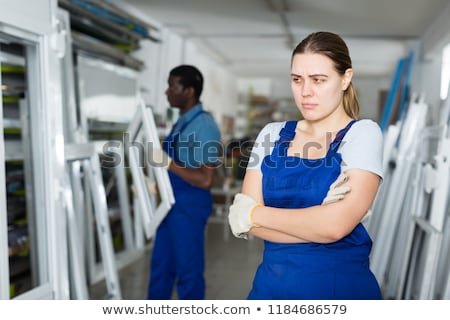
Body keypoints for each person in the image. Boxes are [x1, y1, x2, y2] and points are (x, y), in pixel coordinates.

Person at [228, 31, 384, 299]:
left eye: (318, 80)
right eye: (297, 79)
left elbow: (334, 227)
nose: (305, 92)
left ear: (345, 78)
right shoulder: (271, 134)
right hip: (270, 290)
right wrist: (318, 220)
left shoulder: (363, 134)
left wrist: (253, 213)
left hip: (338, 291)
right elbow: (244, 224)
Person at [147, 65, 221, 299]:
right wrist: (158, 185)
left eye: (172, 86)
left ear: (189, 91)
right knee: (161, 269)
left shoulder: (204, 126)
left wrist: (167, 164)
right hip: (171, 205)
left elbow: (205, 179)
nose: (167, 91)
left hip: (189, 206)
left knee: (188, 273)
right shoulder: (182, 122)